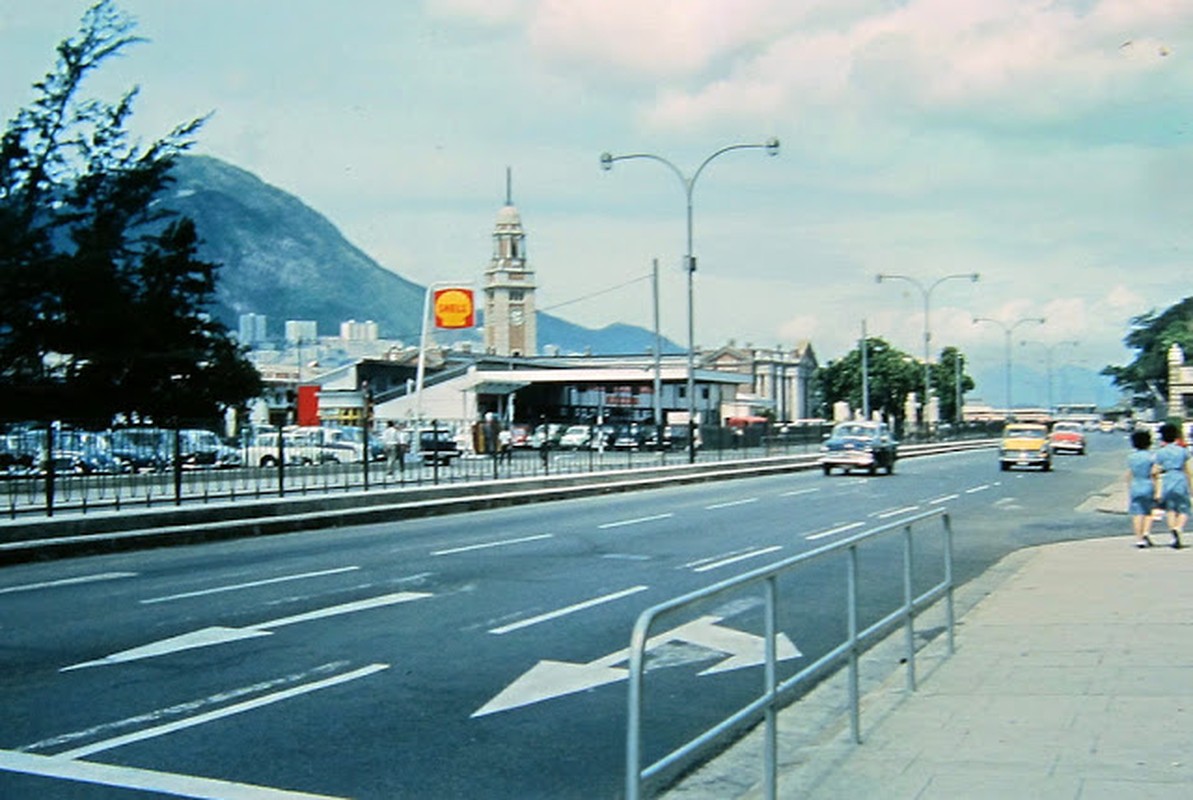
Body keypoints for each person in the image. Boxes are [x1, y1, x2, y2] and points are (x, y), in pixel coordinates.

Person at [1154, 422, 1192, 549]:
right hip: (1180, 479)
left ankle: (1172, 535)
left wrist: (1157, 489)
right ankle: (1178, 527)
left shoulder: (1160, 453)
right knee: (1184, 508)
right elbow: (1189, 471)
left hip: (1167, 479)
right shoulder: (1183, 451)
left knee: (1170, 509)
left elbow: (1155, 471)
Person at [1125, 428, 1157, 548]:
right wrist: (1158, 489)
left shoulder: (1131, 457)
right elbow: (1154, 473)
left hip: (1136, 485)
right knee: (1148, 512)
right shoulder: (1151, 456)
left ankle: (1139, 539)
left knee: (1137, 513)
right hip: (1148, 484)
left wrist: (1129, 488)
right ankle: (1146, 532)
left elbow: (1129, 474)